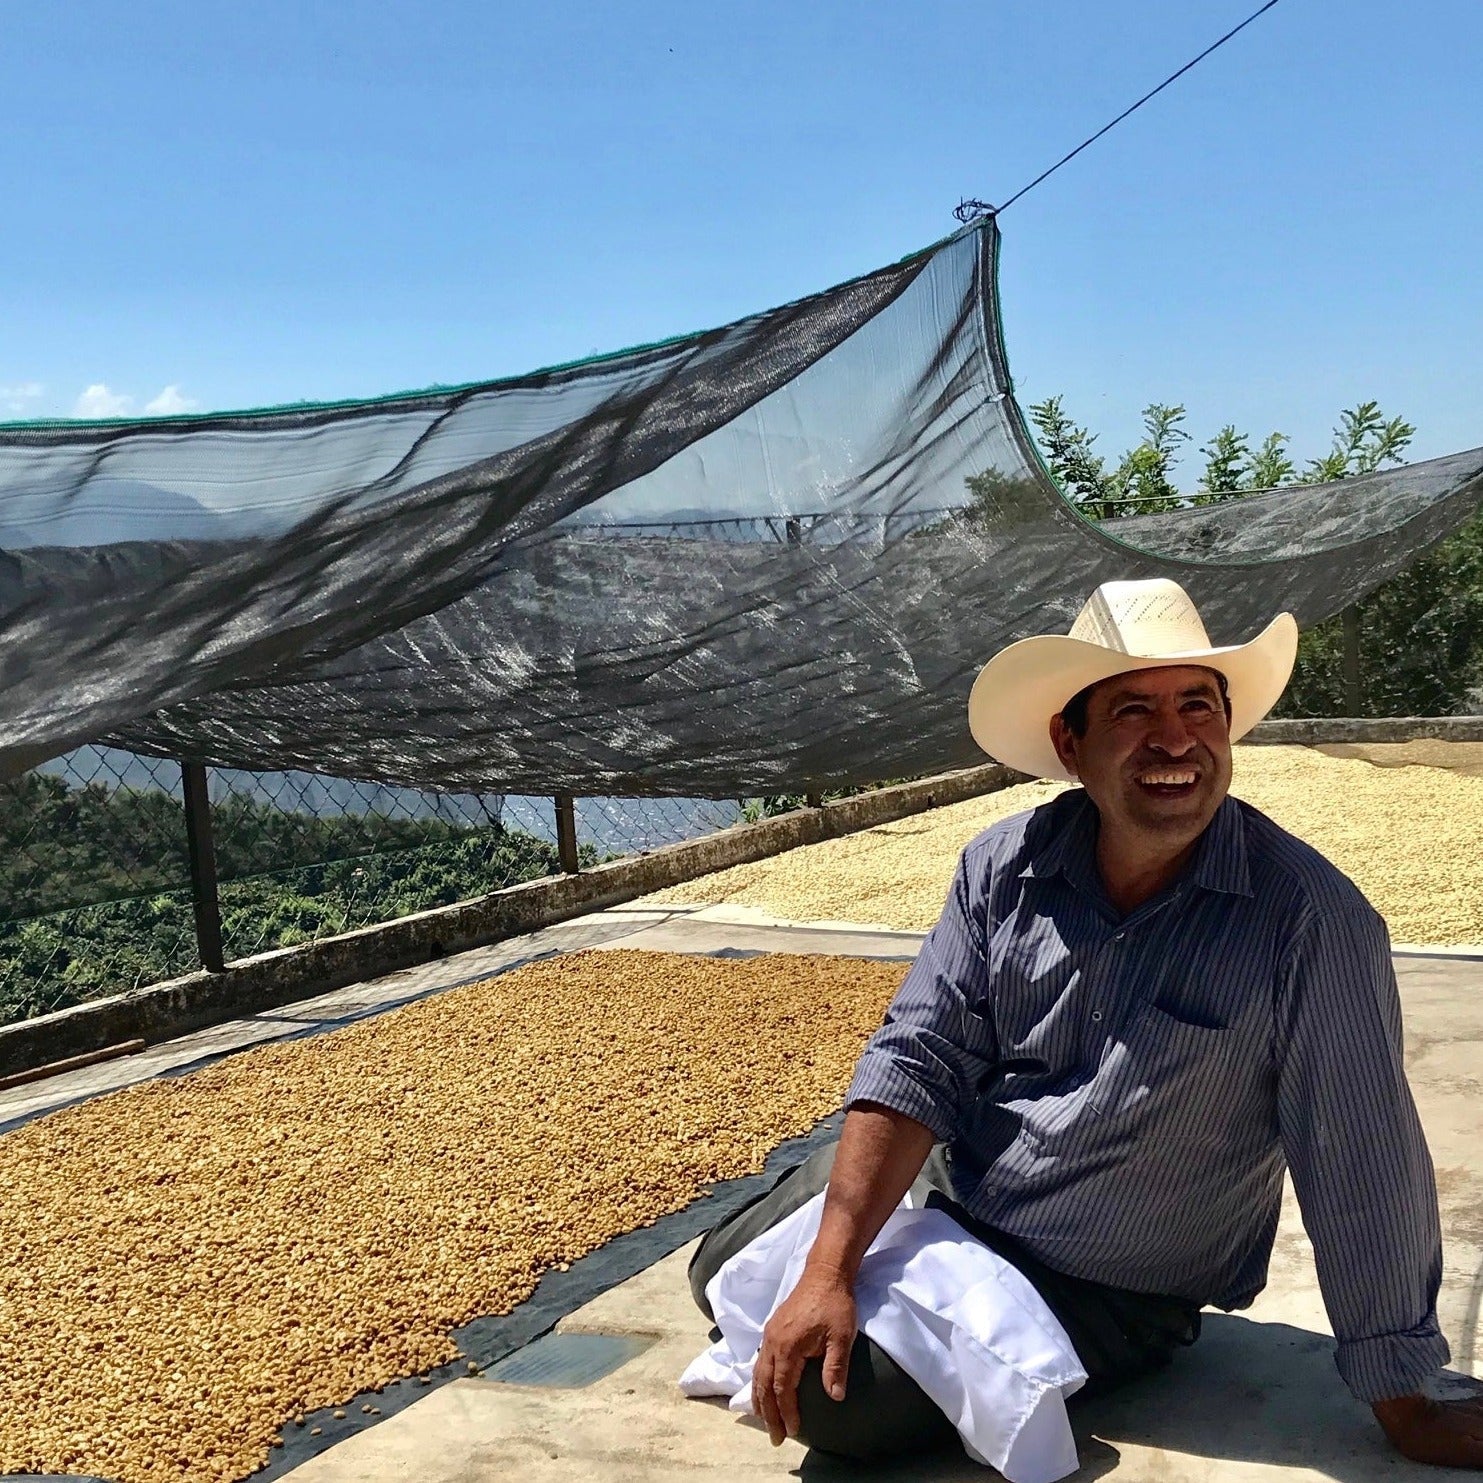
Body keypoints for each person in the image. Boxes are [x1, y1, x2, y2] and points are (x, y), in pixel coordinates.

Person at [688, 578, 1483, 1469]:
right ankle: (846, 1236)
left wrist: (1404, 1399)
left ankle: (876, 1269)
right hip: (958, 1196)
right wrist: (829, 1269)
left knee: (827, 1398)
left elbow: (1358, 1152)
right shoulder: (1002, 865)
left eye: (1197, 706)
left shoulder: (1308, 919)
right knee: (718, 1264)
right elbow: (920, 1056)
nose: (1175, 739)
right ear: (1070, 743)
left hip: (1105, 1284)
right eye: (1133, 711)